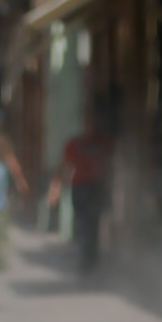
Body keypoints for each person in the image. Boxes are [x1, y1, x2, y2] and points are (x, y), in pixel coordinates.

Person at [58, 116, 111, 272]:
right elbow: (66, 164)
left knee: (92, 224)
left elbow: (109, 164)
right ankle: (86, 258)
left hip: (95, 186)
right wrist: (57, 185)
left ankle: (90, 258)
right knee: (84, 223)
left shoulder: (103, 143)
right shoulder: (74, 144)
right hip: (81, 187)